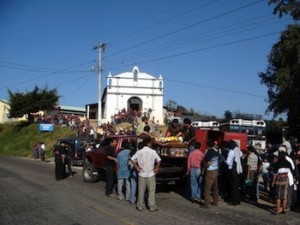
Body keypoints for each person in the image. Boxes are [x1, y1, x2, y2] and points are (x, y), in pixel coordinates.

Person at [131, 137, 161, 212]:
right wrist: (156, 168)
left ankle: (140, 206)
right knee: (151, 191)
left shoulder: (139, 152)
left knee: (141, 191)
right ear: (148, 143)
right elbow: (159, 160)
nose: (151, 144)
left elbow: (132, 159)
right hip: (150, 174)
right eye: (151, 143)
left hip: (141, 173)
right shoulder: (153, 151)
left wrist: (137, 167)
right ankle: (152, 206)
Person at [272, 146, 295, 214]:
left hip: (279, 179)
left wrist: (273, 182)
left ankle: (278, 209)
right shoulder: (288, 162)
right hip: (286, 179)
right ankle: (284, 208)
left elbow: (275, 173)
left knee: (278, 195)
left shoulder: (277, 163)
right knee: (285, 195)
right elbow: (292, 170)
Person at [225, 140, 243, 205]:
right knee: (236, 186)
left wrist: (225, 162)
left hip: (233, 170)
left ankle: (233, 201)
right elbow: (241, 155)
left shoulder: (231, 151)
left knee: (233, 186)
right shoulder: (237, 149)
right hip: (239, 169)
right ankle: (237, 200)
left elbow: (228, 162)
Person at [203, 139, 220, 208]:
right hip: (216, 170)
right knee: (215, 187)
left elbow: (208, 162)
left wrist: (204, 168)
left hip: (210, 170)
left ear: (208, 145)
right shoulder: (217, 152)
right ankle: (215, 201)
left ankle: (207, 204)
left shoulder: (209, 152)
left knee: (207, 188)